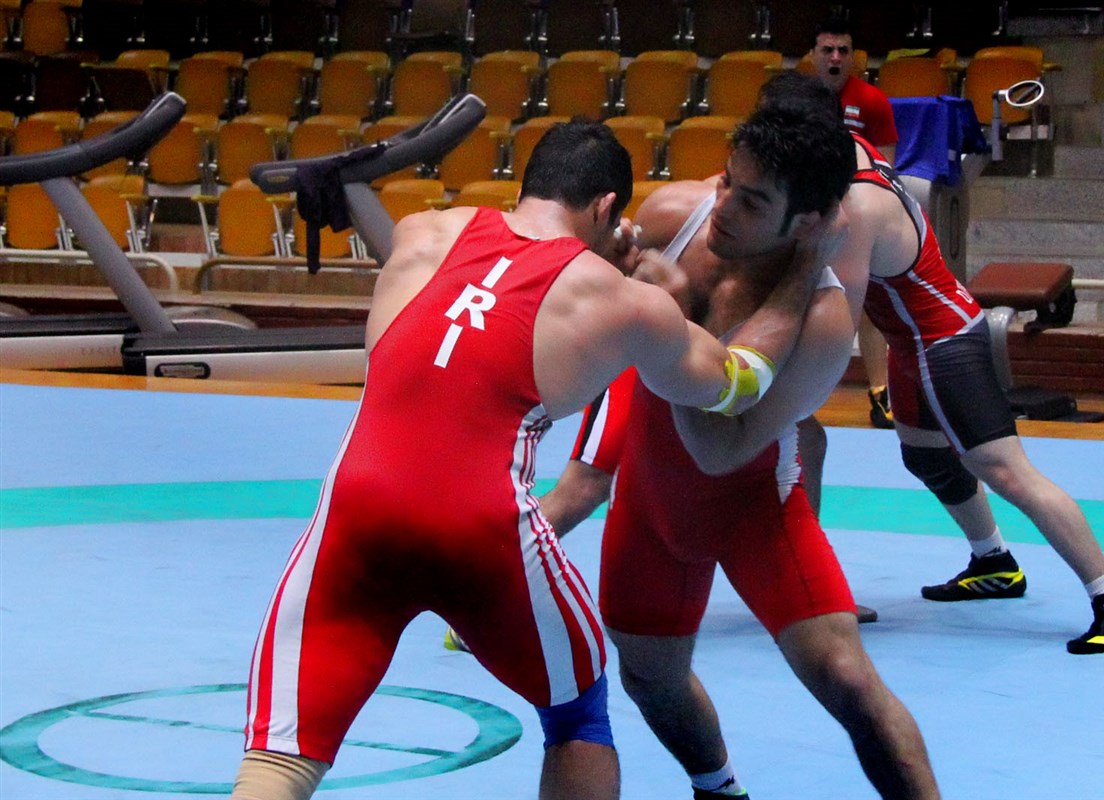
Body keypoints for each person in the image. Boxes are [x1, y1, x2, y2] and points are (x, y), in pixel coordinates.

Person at [230, 120, 819, 800]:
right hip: (482, 534)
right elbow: (737, 383)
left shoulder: (422, 232)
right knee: (577, 717)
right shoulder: (623, 301)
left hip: (355, 515)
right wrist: (805, 272)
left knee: (282, 756)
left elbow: (482, 300)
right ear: (607, 208)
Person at [599, 107, 939, 799]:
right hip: (650, 500)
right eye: (727, 181)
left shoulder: (823, 319)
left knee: (847, 678)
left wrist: (673, 320)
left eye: (752, 202)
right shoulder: (674, 217)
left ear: (808, 222)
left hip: (754, 510)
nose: (723, 207)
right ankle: (720, 790)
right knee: (650, 677)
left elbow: (718, 449)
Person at [760, 72, 1104, 656]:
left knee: (1007, 471)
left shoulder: (857, 204)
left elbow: (841, 317)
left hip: (943, 342)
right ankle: (994, 561)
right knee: (925, 456)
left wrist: (783, 379)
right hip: (914, 341)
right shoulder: (847, 152)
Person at [810, 16, 898, 430]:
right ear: (814, 55)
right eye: (827, 50)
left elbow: (886, 169)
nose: (835, 58)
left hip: (857, 218)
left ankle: (880, 394)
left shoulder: (873, 102)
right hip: (810, 217)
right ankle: (797, 396)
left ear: (853, 58)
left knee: (868, 305)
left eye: (842, 51)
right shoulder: (801, 101)